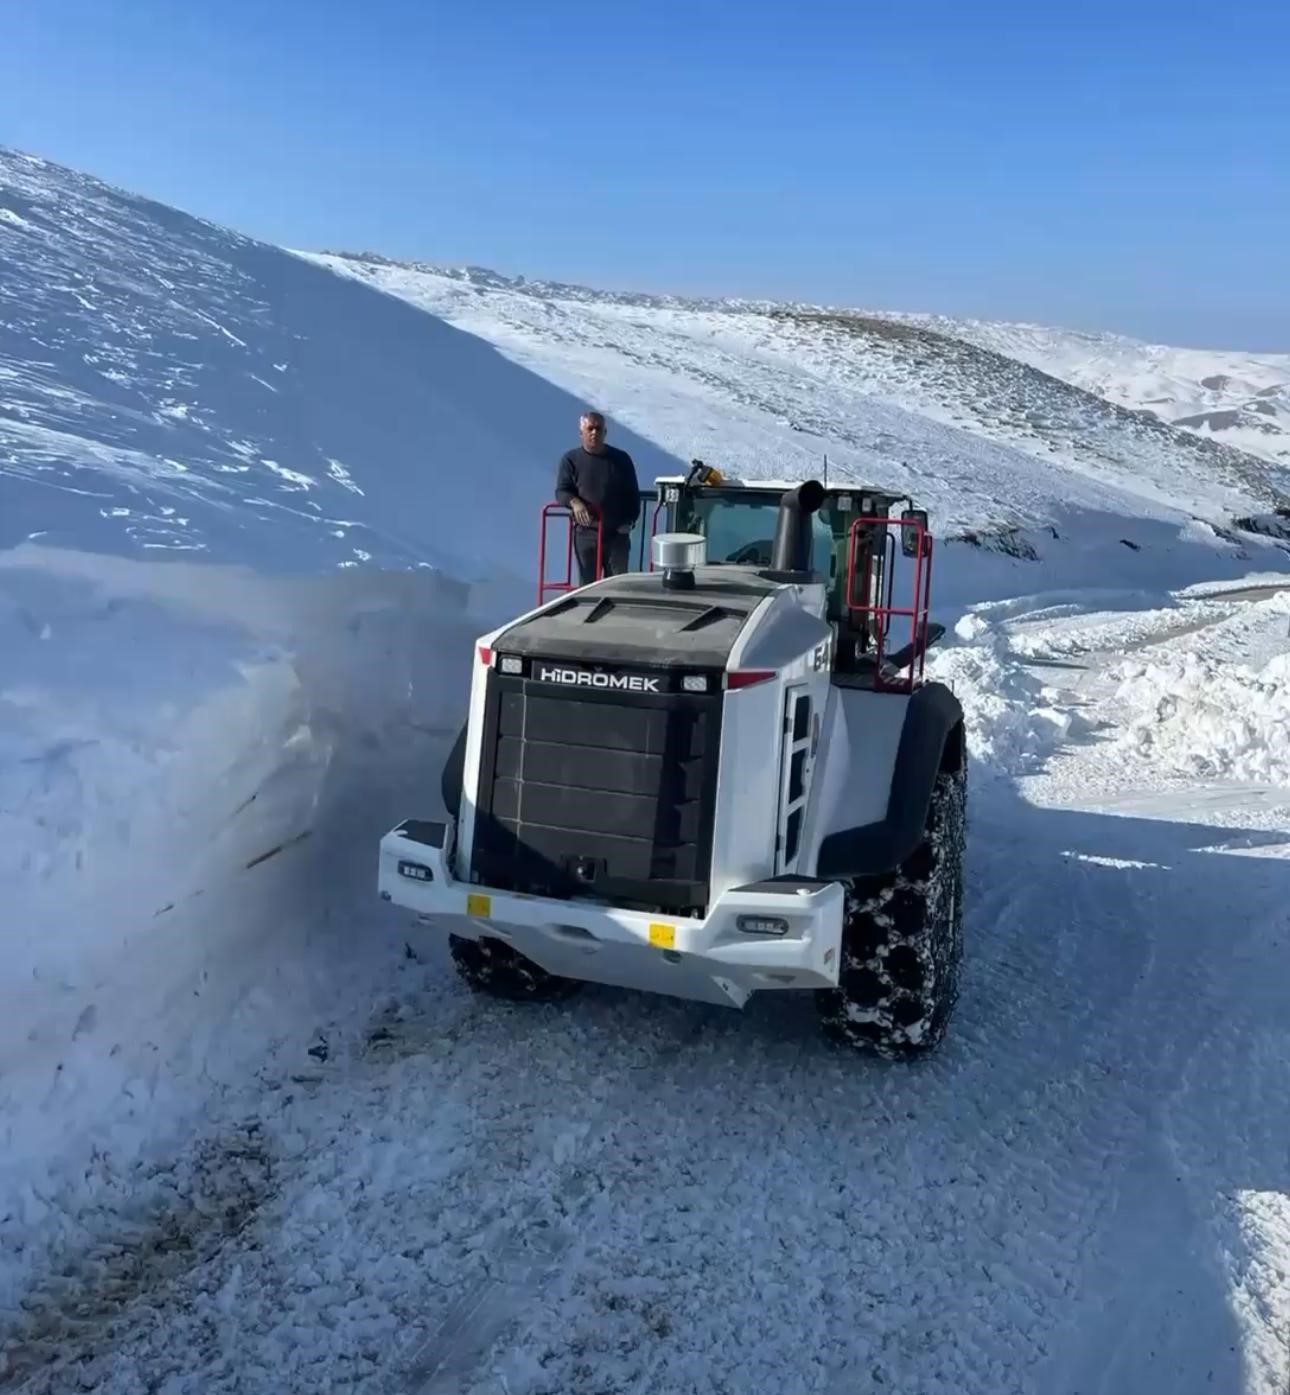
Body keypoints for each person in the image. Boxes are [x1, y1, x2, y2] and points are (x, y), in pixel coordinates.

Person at [554, 410, 641, 584]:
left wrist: (629, 522)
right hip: (586, 533)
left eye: (599, 429)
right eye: (590, 429)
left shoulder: (621, 459)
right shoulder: (570, 459)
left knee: (617, 585)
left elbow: (633, 495)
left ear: (605, 433)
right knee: (588, 586)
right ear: (581, 433)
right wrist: (575, 502)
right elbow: (561, 491)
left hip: (617, 535)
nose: (595, 433)